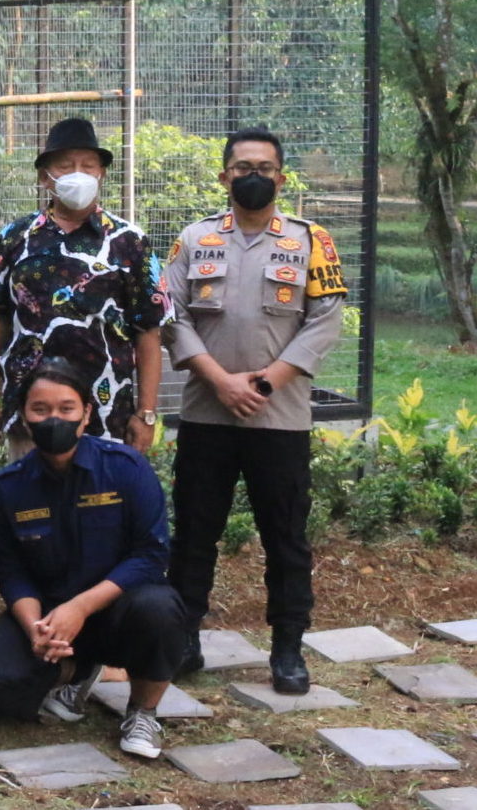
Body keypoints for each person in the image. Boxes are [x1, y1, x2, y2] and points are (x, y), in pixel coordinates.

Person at [161, 128, 345, 694]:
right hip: (207, 413)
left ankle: (288, 648)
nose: (253, 176)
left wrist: (265, 383)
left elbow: (325, 321)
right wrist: (220, 381)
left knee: (285, 537)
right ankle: (184, 638)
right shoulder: (194, 239)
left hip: (279, 418)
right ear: (224, 177)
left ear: (281, 178)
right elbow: (170, 314)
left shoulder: (311, 241)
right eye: (242, 167)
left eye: (264, 167)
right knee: (194, 533)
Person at [0, 363, 190, 760]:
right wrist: (36, 628)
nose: (53, 419)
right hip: (50, 616)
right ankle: (79, 671)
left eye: (66, 408)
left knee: (160, 609)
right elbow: (11, 571)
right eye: (40, 409)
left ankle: (143, 712)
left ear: (87, 413)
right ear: (23, 414)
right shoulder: (10, 487)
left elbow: (150, 555)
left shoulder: (125, 469)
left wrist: (80, 607)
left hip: (119, 609)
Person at [0, 117, 167, 454]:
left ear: (101, 173)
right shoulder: (15, 237)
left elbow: (149, 329)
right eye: (65, 166)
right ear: (44, 176)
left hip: (107, 414)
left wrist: (146, 413)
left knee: (101, 488)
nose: (78, 174)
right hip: (30, 413)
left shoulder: (130, 241)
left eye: (88, 166)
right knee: (30, 487)